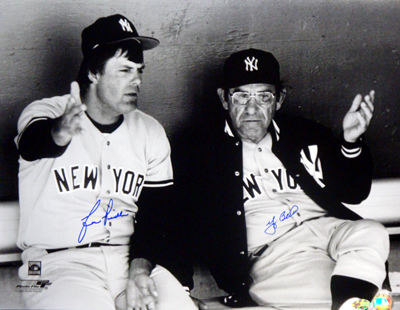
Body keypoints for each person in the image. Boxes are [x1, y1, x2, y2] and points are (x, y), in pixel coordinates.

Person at [172, 48, 390, 310]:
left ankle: (356, 300)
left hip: (328, 231)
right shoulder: (199, 151)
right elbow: (177, 220)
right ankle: (360, 298)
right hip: (272, 256)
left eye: (264, 96)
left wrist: (350, 143)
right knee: (329, 294)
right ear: (224, 99)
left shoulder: (305, 133)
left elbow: (353, 193)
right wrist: (180, 290)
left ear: (279, 99)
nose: (252, 108)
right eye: (241, 95)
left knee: (371, 231)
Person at [15, 14, 196, 310]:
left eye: (139, 70)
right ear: (93, 73)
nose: (136, 80)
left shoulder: (150, 130)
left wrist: (139, 271)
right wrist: (60, 132)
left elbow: (156, 216)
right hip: (51, 263)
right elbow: (33, 143)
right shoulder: (48, 112)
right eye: (124, 70)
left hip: (128, 261)